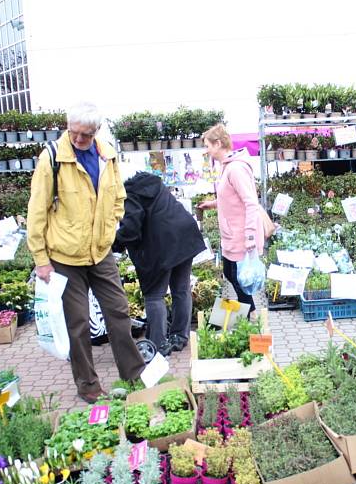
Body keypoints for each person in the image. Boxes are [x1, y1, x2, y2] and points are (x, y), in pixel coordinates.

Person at [27, 102, 145, 404]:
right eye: (74, 133)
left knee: (118, 311)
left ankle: (134, 375)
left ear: (96, 131)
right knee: (78, 323)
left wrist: (111, 226)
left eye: (85, 135)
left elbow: (118, 195)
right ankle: (88, 385)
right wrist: (41, 259)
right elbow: (37, 211)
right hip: (64, 257)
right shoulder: (52, 158)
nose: (78, 139)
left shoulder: (107, 155)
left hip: (100, 252)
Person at [113, 173, 206, 356]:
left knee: (154, 295)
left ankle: (158, 344)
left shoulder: (129, 193)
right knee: (181, 289)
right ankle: (179, 336)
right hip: (185, 235)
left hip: (162, 244)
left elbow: (131, 227)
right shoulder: (154, 184)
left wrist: (114, 244)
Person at [197, 124, 264, 315]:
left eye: (208, 145)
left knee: (240, 279)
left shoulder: (236, 169)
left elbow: (251, 203)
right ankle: (239, 316)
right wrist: (213, 204)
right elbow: (231, 198)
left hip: (241, 236)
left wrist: (250, 236)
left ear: (218, 144)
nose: (207, 150)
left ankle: (247, 318)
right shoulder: (226, 168)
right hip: (231, 235)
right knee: (231, 274)